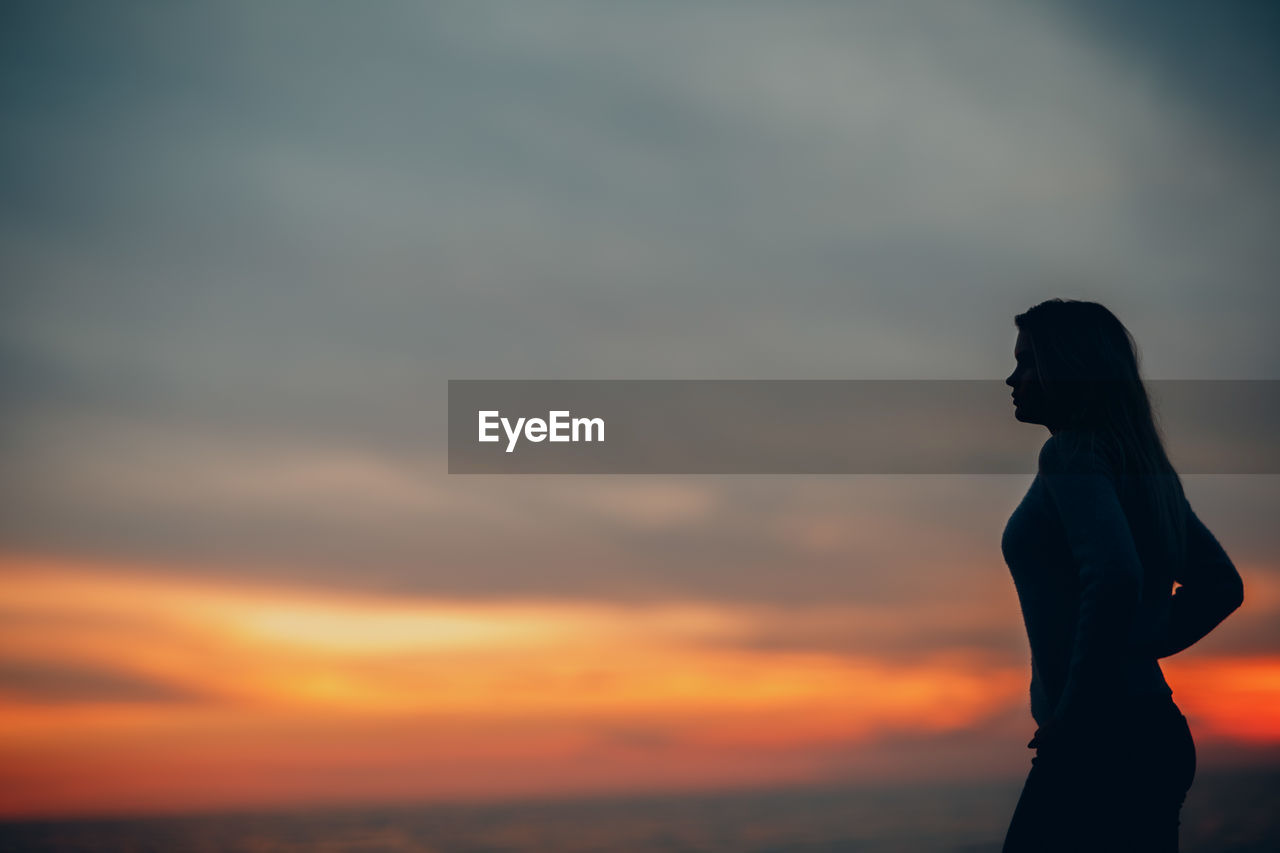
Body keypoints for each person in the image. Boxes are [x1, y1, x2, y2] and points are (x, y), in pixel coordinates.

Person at [999, 299, 1244, 852]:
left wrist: (1075, 713)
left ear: (1069, 368)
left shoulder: (1068, 455)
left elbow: (1113, 576)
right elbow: (1220, 584)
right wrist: (1140, 641)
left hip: (1100, 740)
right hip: (1151, 732)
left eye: (1027, 362)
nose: (1011, 378)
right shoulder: (1138, 464)